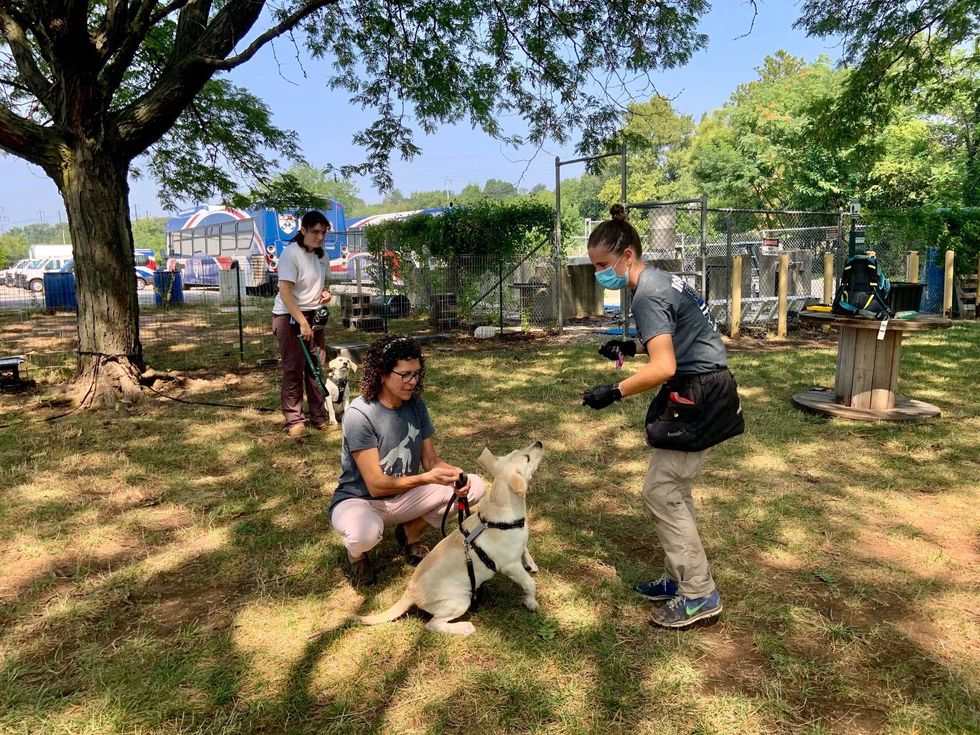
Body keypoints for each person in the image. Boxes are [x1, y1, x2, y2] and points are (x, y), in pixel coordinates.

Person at [581, 204, 744, 629]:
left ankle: (699, 595)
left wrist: (613, 392)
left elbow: (664, 368)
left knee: (662, 491)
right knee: (673, 487)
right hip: (706, 386)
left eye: (603, 265)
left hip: (698, 392)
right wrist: (631, 348)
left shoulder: (648, 292)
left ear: (627, 256)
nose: (600, 273)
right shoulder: (664, 281)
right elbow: (683, 337)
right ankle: (678, 577)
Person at [330, 335, 486, 586]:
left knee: (475, 485)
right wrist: (426, 479)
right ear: (381, 373)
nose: (412, 382)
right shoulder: (359, 414)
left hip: (403, 497)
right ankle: (356, 557)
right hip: (361, 500)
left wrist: (454, 474)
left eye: (416, 374)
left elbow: (431, 461)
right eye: (404, 375)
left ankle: (409, 533)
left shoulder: (416, 405)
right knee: (363, 534)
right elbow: (376, 485)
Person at [271, 210, 334, 438]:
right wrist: (301, 323)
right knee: (294, 368)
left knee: (316, 366)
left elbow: (320, 286)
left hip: (313, 315)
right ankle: (294, 421)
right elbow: (286, 293)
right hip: (288, 317)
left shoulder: (321, 255)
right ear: (303, 230)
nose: (320, 237)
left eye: (323, 232)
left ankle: (319, 416)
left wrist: (325, 294)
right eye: (315, 232)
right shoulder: (291, 254)